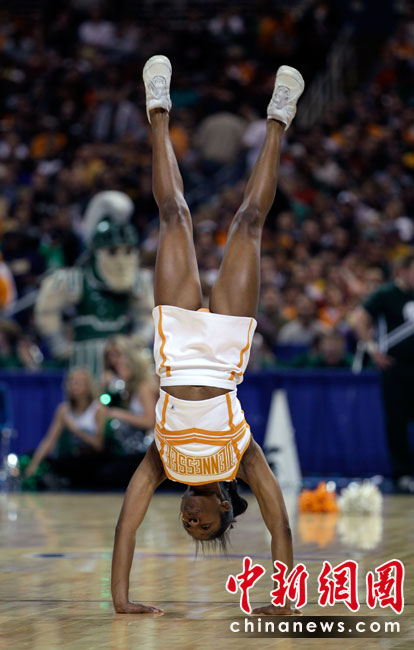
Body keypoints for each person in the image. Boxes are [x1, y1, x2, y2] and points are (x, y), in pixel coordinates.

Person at [111, 55, 304, 615]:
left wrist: (121, 601)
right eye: (203, 526)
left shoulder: (164, 462)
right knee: (248, 223)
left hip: (175, 349)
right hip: (221, 352)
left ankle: (157, 107)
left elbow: (127, 523)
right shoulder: (243, 459)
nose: (190, 520)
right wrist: (284, 601)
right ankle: (279, 117)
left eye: (186, 526)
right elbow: (279, 522)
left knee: (174, 215)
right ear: (225, 509)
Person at [352, 257, 414, 494]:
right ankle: (403, 474)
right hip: (395, 368)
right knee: (396, 423)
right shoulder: (386, 295)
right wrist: (373, 350)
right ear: (403, 270)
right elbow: (358, 319)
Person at [24, 368, 104, 487]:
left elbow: (99, 445)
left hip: (94, 459)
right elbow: (49, 440)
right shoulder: (64, 410)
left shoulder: (98, 409)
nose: (73, 386)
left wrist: (76, 430)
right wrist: (34, 464)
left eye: (77, 382)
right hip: (75, 456)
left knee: (76, 464)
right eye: (70, 382)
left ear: (88, 386)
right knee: (31, 456)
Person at [96, 335, 157, 488]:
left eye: (117, 356)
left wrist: (119, 414)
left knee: (107, 476)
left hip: (148, 449)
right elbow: (102, 408)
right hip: (130, 450)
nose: (114, 362)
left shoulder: (144, 386)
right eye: (109, 357)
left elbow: (149, 421)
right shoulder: (124, 389)